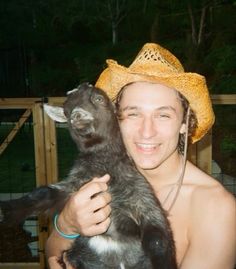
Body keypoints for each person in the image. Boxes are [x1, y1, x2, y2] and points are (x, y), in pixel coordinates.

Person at [46, 43, 236, 269]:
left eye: (163, 115)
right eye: (133, 114)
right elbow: (53, 252)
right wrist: (66, 225)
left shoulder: (216, 209)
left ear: (185, 123)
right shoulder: (99, 177)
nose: (147, 132)